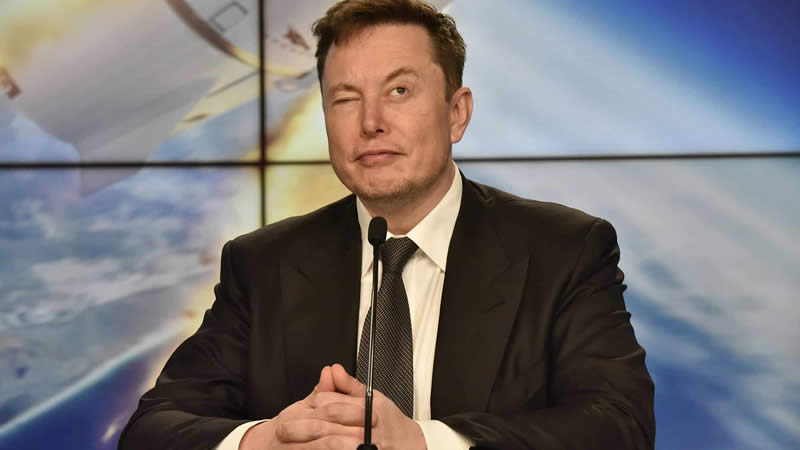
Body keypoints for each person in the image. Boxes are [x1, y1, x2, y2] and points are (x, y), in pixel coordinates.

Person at [119, 1, 655, 449]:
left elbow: (619, 426)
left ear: (457, 113)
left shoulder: (565, 250)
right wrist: (266, 440)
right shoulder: (262, 263)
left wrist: (424, 443)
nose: (370, 122)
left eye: (399, 91)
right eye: (345, 98)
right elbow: (152, 429)